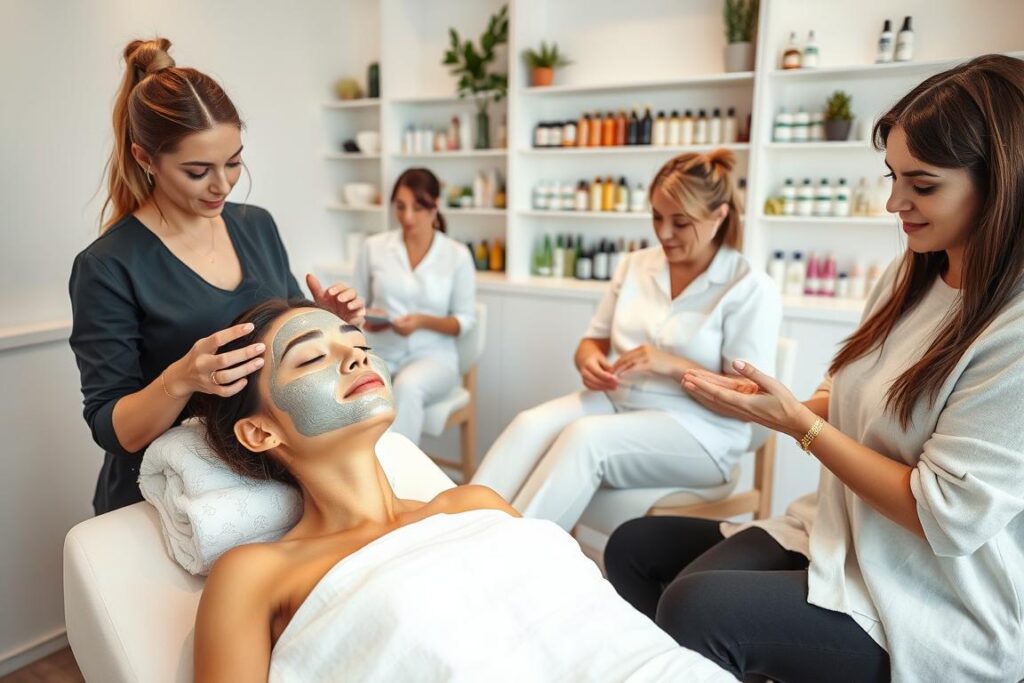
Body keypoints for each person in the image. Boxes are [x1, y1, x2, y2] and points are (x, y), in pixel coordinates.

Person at [605, 54, 1024, 683]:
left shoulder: (1012, 330)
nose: (894, 202)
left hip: (934, 592)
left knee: (694, 609)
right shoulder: (911, 273)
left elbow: (944, 514)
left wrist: (799, 425)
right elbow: (846, 385)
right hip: (837, 528)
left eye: (922, 185)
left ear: (1004, 182)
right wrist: (769, 403)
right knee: (634, 547)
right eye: (893, 177)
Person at [188, 299, 731, 683]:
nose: (356, 358)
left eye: (357, 344)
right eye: (311, 358)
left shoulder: (474, 503)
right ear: (260, 432)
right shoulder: (257, 574)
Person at [68, 38, 365, 515]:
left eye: (233, 162)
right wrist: (181, 379)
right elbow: (114, 429)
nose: (222, 184)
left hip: (261, 482)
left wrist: (323, 321)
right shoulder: (107, 265)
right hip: (165, 500)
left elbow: (284, 346)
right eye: (197, 171)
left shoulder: (257, 225)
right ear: (144, 158)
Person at [472, 150, 781, 531]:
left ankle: (505, 555)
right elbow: (591, 342)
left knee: (586, 440)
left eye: (680, 223)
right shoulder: (635, 265)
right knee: (528, 426)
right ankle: (453, 531)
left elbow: (752, 401)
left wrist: (673, 366)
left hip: (701, 429)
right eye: (657, 217)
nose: (663, 233)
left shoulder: (750, 287)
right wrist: (588, 363)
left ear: (719, 216)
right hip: (618, 400)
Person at [353, 168, 476, 444]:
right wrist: (368, 319)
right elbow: (355, 305)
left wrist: (422, 322)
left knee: (408, 385)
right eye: (400, 207)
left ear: (435, 206)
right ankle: (358, 464)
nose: (407, 217)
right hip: (381, 351)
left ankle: (397, 468)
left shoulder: (457, 255)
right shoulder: (373, 247)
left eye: (417, 208)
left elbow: (465, 321)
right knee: (350, 386)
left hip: (433, 357)